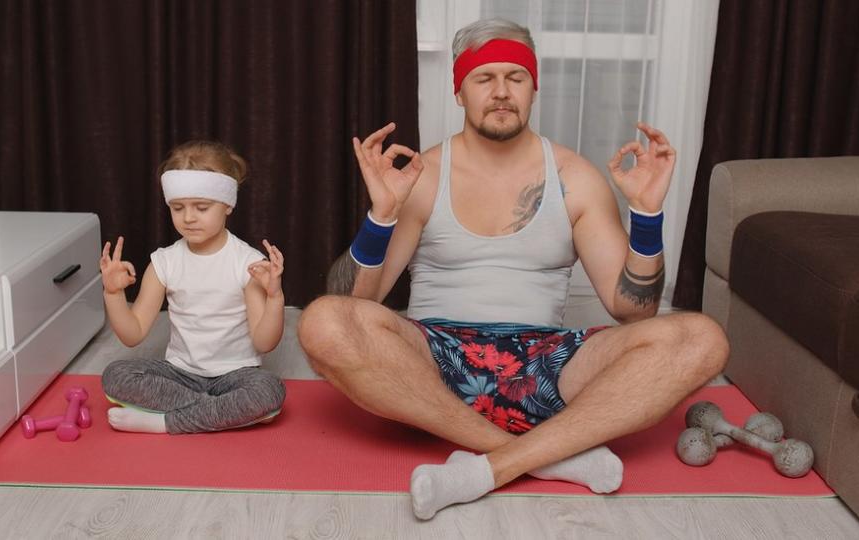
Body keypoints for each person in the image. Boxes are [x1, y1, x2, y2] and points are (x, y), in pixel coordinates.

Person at [299, 18, 728, 519]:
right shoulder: (423, 175)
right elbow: (355, 305)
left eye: (515, 78)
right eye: (484, 78)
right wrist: (382, 216)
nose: (501, 92)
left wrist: (648, 215)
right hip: (432, 361)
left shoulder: (575, 177)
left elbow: (634, 311)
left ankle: (493, 466)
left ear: (534, 86)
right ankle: (545, 456)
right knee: (321, 320)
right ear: (459, 90)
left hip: (549, 360)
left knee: (702, 338)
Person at [99, 140, 287, 435]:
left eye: (201, 207)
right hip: (179, 374)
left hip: (235, 376)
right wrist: (113, 293)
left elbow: (265, 343)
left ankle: (165, 422)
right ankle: (220, 413)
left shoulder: (247, 263)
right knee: (116, 375)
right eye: (178, 208)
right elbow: (132, 334)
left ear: (227, 205)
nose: (188, 217)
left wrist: (275, 296)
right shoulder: (164, 262)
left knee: (268, 390)